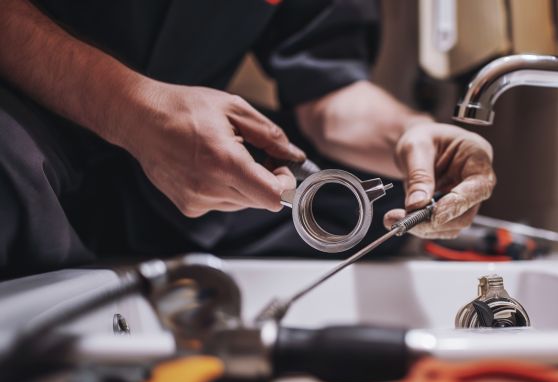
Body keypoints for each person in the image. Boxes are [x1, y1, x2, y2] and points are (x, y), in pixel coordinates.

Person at [0, 0, 496, 278]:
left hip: (163, 160)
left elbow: (330, 89)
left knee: (365, 210)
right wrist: (133, 111)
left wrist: (411, 133)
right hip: (27, 112)